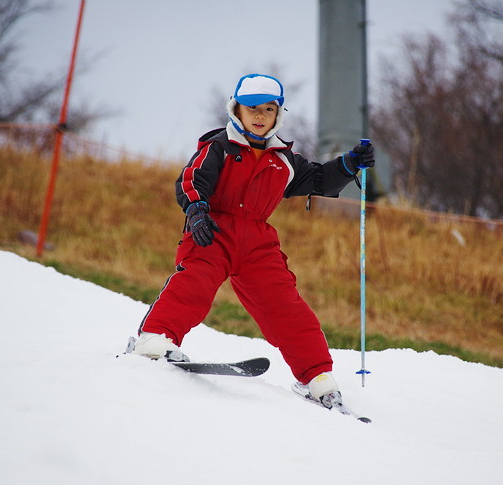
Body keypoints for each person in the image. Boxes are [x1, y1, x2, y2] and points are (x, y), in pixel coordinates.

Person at [134, 73, 375, 409]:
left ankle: (317, 377)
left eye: (268, 109)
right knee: (193, 285)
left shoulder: (284, 160)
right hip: (213, 232)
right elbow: (191, 178)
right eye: (252, 109)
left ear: (278, 114)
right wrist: (198, 211)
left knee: (285, 305)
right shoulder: (219, 147)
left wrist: (348, 165)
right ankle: (155, 339)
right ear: (237, 111)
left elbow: (318, 179)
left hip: (258, 241)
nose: (260, 116)